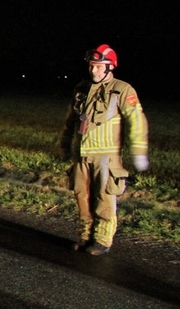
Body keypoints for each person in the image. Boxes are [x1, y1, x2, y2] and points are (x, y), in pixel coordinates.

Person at [57, 44, 149, 255]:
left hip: (106, 158)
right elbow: (69, 122)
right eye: (91, 66)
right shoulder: (81, 89)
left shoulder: (122, 90)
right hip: (81, 155)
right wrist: (63, 145)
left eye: (99, 66)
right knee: (82, 196)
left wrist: (139, 152)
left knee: (103, 197)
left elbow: (137, 121)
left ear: (110, 67)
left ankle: (102, 240)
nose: (94, 70)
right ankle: (85, 235)